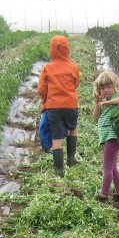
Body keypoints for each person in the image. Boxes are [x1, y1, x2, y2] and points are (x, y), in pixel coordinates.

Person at [37, 35, 80, 176]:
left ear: (52, 50)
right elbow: (76, 85)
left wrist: (47, 99)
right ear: (67, 49)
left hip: (53, 106)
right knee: (72, 128)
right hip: (70, 104)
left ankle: (59, 169)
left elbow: (41, 90)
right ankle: (71, 159)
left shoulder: (47, 68)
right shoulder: (73, 67)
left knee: (56, 137)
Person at [92, 70, 119, 203]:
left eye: (109, 86)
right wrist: (98, 103)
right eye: (102, 87)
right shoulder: (102, 101)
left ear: (115, 86)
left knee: (107, 167)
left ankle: (104, 195)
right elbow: (95, 118)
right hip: (108, 137)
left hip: (113, 137)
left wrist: (108, 103)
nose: (106, 90)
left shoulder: (116, 98)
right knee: (113, 167)